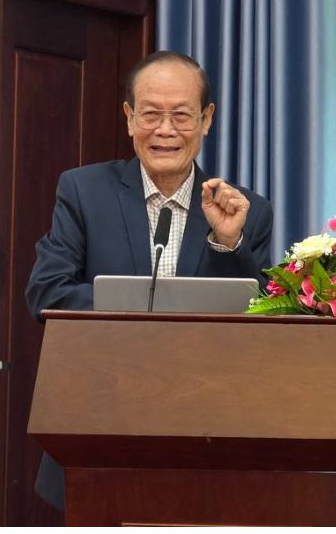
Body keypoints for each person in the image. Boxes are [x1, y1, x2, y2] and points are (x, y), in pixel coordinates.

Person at [25, 51, 274, 511]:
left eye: (181, 116)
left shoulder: (245, 210)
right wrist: (148, 306)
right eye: (151, 114)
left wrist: (227, 243)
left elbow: (258, 321)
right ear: (128, 117)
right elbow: (47, 292)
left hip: (207, 438)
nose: (165, 130)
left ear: (206, 120)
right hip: (99, 431)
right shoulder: (83, 191)